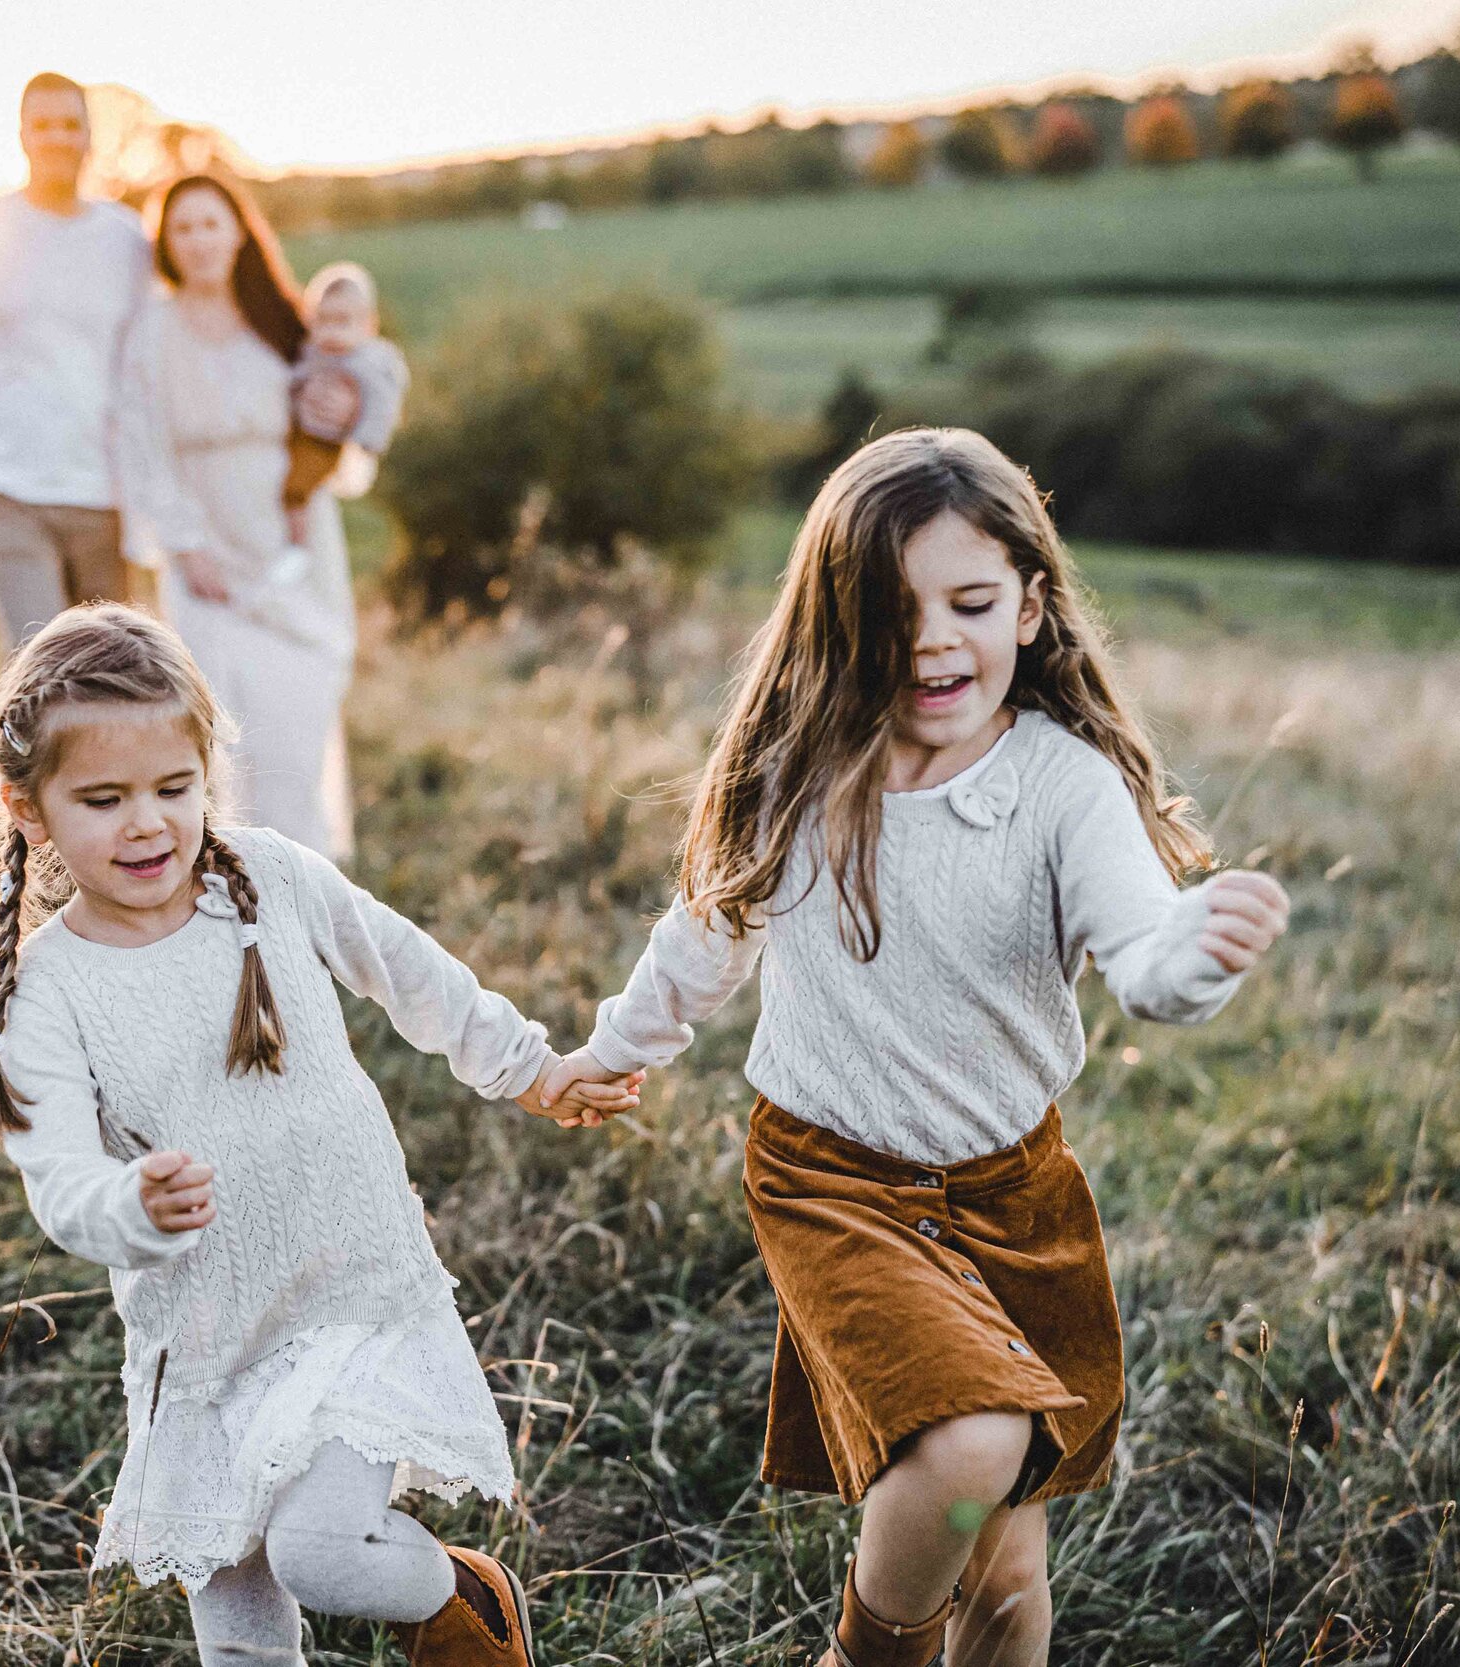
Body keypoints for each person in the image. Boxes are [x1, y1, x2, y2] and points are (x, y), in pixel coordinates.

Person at [537, 429, 1291, 1667]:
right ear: (836, 624)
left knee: (1004, 1580)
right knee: (973, 1441)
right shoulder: (803, 773)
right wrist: (611, 1049)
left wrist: (1194, 955)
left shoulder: (1064, 784)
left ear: (1034, 608)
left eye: (972, 603)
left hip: (1015, 1198)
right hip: (832, 1182)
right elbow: (703, 935)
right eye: (893, 612)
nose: (935, 641)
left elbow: (1145, 957)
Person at [0, 605, 639, 1667]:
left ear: (207, 774)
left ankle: (459, 1591)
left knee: (320, 1552)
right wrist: (126, 1207)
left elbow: (413, 974)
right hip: (203, 1330)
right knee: (234, 1611)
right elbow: (53, 1172)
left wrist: (533, 1069)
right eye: (103, 799)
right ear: (28, 807)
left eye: (173, 789)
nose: (147, 824)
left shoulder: (268, 878)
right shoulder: (48, 988)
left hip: (348, 1285)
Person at [113, 173, 361, 859]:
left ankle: (303, 894)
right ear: (166, 242)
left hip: (295, 543)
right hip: (208, 555)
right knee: (227, 733)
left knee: (297, 721)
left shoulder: (281, 321)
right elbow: (142, 450)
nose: (198, 240)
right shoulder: (151, 332)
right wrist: (186, 547)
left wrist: (344, 418)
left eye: (211, 224)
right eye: (183, 227)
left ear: (239, 232)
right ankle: (236, 897)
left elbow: (343, 427)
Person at [0, 72, 154, 647]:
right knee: (43, 660)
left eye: (71, 124)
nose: (58, 138)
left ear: (92, 135)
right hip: (6, 488)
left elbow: (148, 367)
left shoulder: (127, 239)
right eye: (43, 125)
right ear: (21, 135)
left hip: (106, 496)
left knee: (112, 668)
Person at [274, 262, 409, 579]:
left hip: (328, 441)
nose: (332, 332)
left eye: (343, 322)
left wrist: (367, 442)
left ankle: (297, 548)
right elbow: (293, 381)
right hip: (300, 431)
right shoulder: (313, 352)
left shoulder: (372, 362)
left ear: (369, 325)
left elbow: (383, 403)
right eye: (324, 320)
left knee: (295, 489)